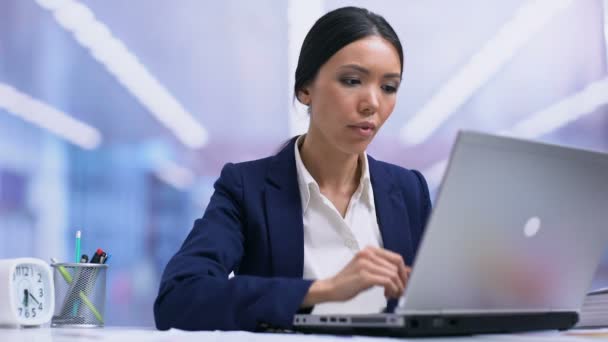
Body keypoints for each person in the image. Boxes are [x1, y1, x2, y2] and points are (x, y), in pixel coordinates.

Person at [154, 6, 431, 331]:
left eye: (388, 87)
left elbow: (440, 306)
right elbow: (179, 297)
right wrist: (324, 290)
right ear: (305, 90)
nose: (372, 102)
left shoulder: (409, 189)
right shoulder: (247, 188)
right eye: (352, 80)